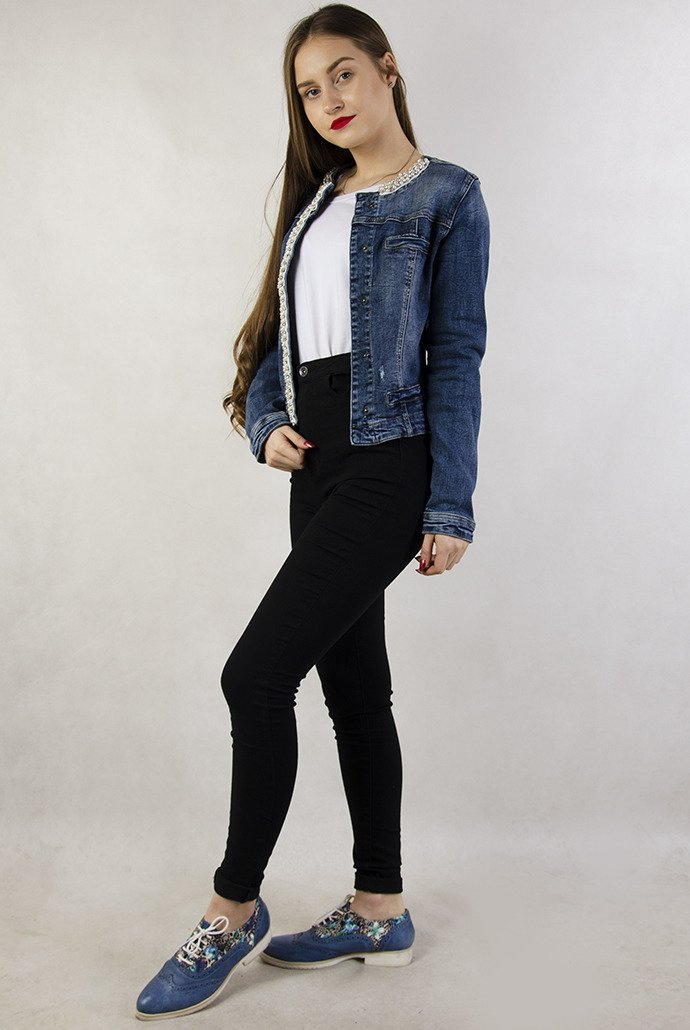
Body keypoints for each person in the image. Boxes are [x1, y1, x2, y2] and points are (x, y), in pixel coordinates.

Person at [135, 2, 490, 1019]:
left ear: (386, 68)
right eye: (306, 88)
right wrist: (265, 424)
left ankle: (231, 906)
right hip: (318, 469)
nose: (327, 99)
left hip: (391, 464)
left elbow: (456, 355)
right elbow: (275, 343)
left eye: (341, 73)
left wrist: (451, 503)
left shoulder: (448, 196)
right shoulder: (313, 206)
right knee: (355, 689)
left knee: (253, 675)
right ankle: (380, 908)